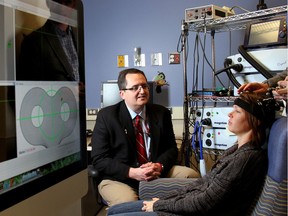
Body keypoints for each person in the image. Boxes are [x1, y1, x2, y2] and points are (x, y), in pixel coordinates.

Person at [107, 91, 277, 216]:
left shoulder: (246, 158)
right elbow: (202, 185)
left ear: (255, 120)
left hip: (198, 212)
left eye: (237, 111)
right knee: (115, 210)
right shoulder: (236, 150)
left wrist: (160, 206)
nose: (230, 114)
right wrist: (163, 201)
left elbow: (205, 202)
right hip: (189, 206)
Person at [90, 68, 199, 206]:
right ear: (122, 93)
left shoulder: (161, 113)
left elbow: (171, 149)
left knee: (191, 177)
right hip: (119, 177)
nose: (142, 91)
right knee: (129, 204)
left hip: (155, 173)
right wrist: (131, 172)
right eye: (135, 87)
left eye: (144, 86)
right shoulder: (107, 116)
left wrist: (159, 166)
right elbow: (99, 159)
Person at [17, 0, 79, 81]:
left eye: (67, 2)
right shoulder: (33, 42)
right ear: (48, 3)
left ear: (74, 5)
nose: (62, 8)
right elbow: (32, 89)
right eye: (58, 2)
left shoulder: (81, 35)